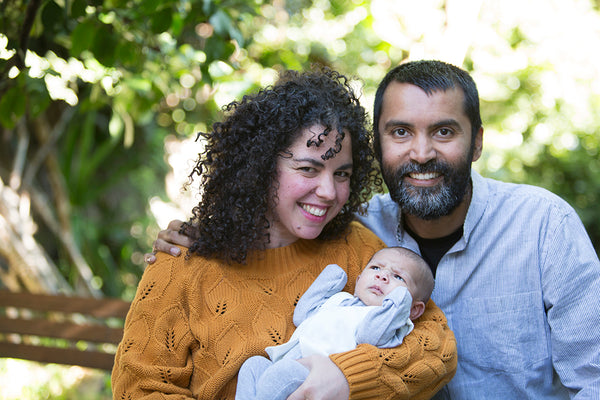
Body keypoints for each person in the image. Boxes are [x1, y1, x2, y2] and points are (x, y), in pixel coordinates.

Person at [150, 60, 600, 399]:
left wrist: (349, 375)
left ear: (477, 140)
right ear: (379, 144)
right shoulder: (351, 226)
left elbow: (593, 377)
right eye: (401, 132)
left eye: (444, 131)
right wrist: (196, 235)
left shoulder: (542, 226)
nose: (421, 153)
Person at [112, 68, 457, 400]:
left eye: (342, 174)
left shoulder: (358, 248)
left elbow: (436, 345)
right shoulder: (182, 261)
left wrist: (347, 377)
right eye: (308, 168)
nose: (328, 191)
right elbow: (139, 388)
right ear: (261, 167)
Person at [235, 247, 434, 400]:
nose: (382, 276)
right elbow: (303, 315)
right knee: (253, 365)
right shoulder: (339, 300)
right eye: (375, 268)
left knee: (281, 374)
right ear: (358, 281)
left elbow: (370, 336)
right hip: (287, 361)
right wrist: (328, 282)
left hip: (316, 376)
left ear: (414, 309)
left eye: (398, 277)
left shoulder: (385, 320)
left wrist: (400, 304)